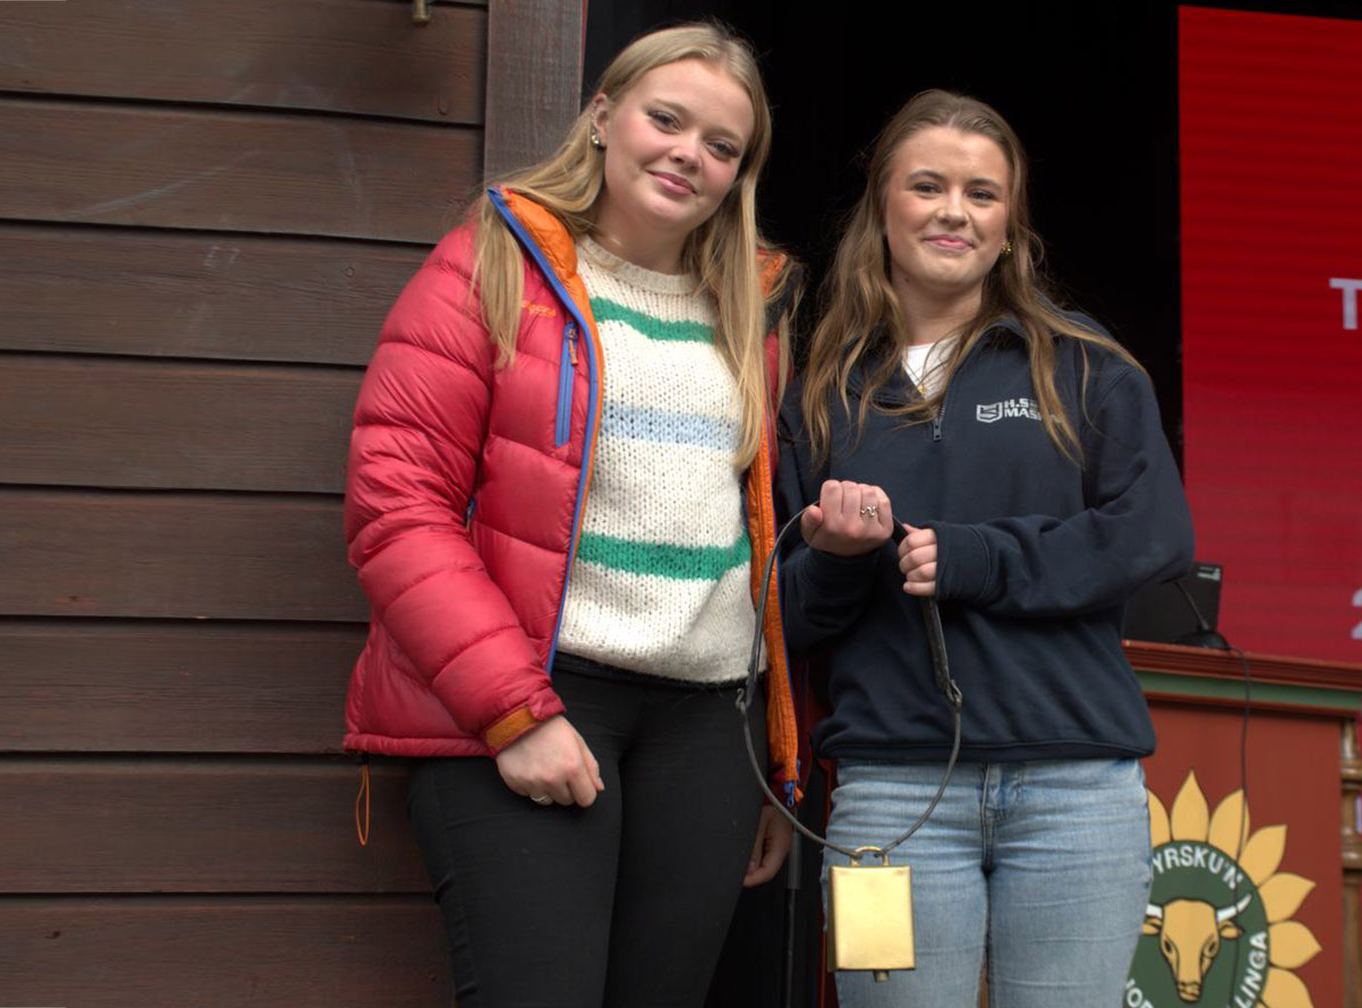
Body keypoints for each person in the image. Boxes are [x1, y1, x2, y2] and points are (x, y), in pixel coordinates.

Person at [340, 22, 800, 1008]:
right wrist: (514, 712)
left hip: (709, 732)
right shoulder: (493, 261)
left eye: (723, 146)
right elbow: (396, 505)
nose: (690, 154)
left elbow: (752, 542)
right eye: (666, 120)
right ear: (603, 117)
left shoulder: (755, 313)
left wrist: (772, 756)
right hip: (537, 701)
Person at [776, 90, 1194, 1007]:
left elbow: (1152, 535)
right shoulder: (819, 399)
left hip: (1078, 789)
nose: (953, 211)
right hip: (889, 795)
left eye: (981, 193)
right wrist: (840, 557)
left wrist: (979, 559)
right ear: (883, 209)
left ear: (1011, 226)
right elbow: (785, 618)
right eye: (927, 186)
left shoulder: (1086, 368)